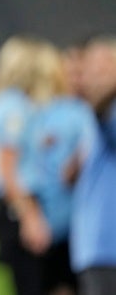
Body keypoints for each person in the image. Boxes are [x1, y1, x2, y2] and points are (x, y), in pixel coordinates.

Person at [0, 34, 95, 295]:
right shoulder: (17, 109)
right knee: (35, 283)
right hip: (19, 205)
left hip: (9, 204)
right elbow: (9, 169)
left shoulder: (0, 104)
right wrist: (29, 215)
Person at [70, 35, 116, 295]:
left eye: (101, 69)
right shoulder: (92, 113)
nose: (90, 77)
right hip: (96, 246)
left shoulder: (107, 109)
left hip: (107, 243)